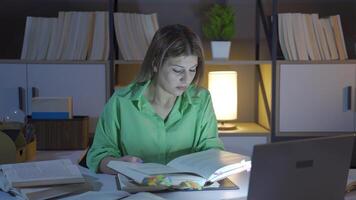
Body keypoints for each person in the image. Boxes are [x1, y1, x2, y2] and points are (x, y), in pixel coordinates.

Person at [87, 24, 224, 174]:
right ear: (155, 64)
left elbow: (212, 149)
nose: (186, 79)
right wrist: (117, 165)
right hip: (137, 193)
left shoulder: (202, 100)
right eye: (177, 70)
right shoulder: (121, 102)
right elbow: (98, 156)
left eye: (192, 69)